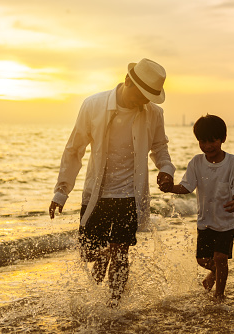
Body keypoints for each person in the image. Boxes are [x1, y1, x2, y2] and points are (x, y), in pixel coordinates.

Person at [48, 58, 175, 307]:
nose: (143, 102)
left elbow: (160, 148)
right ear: (128, 80)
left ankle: (114, 308)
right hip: (97, 195)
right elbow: (74, 149)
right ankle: (106, 255)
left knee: (121, 253)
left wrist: (166, 169)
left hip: (130, 195)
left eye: (148, 97)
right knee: (87, 254)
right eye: (141, 95)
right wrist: (61, 192)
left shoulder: (154, 114)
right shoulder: (93, 105)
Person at [161, 114, 234, 301]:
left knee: (220, 257)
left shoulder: (232, 162)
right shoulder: (196, 162)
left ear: (223, 139)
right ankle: (217, 273)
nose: (208, 146)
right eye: (202, 141)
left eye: (212, 141)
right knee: (202, 260)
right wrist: (171, 188)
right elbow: (187, 186)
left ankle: (219, 296)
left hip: (226, 221)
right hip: (206, 221)